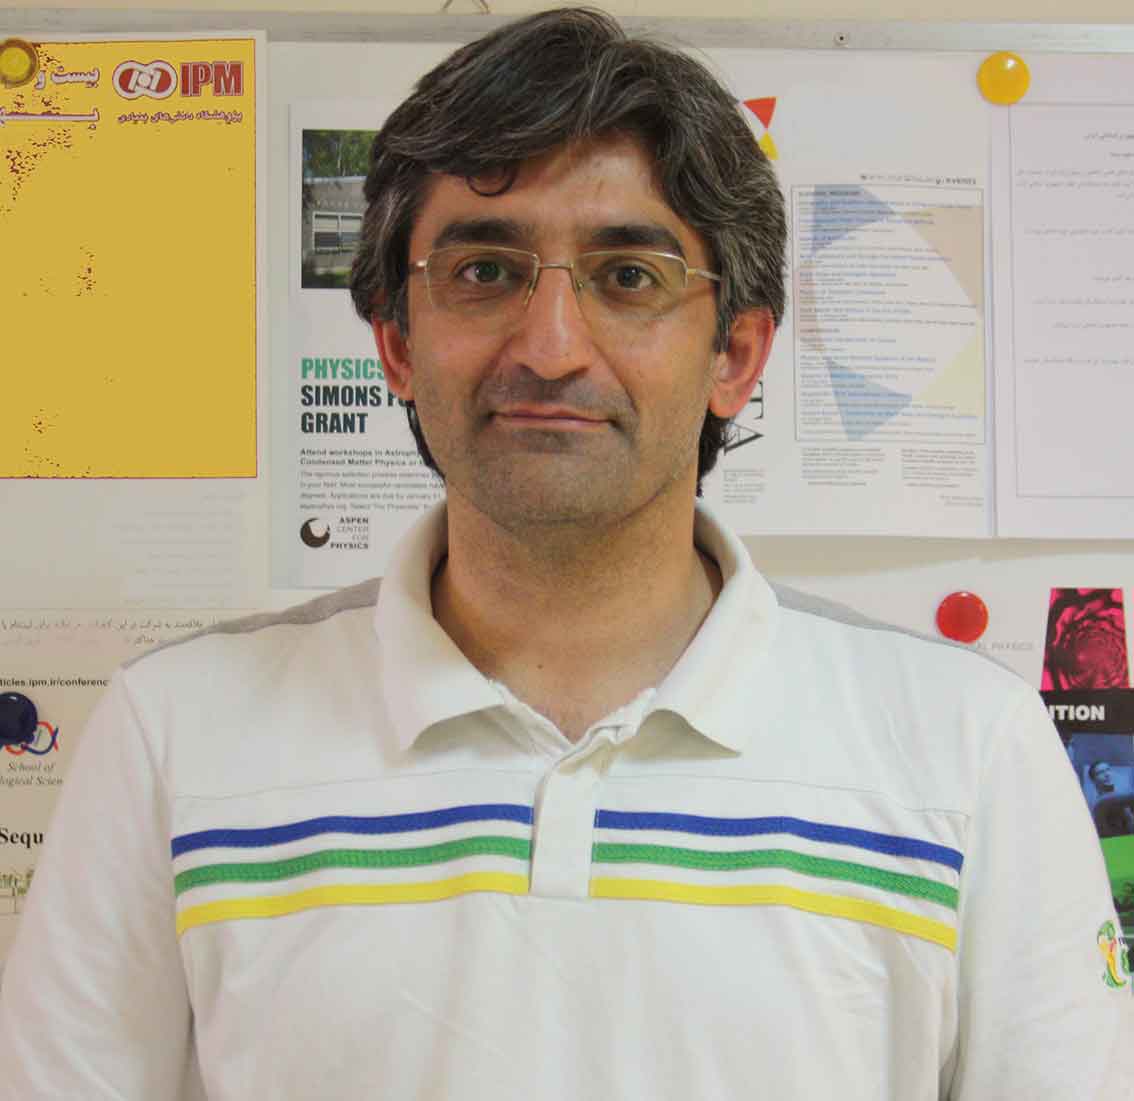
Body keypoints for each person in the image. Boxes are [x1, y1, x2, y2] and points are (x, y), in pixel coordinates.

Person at [1, 10, 1130, 1099]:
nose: (549, 349)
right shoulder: (174, 735)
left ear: (736, 355)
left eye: (629, 277)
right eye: (485, 272)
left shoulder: (967, 751)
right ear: (397, 345)